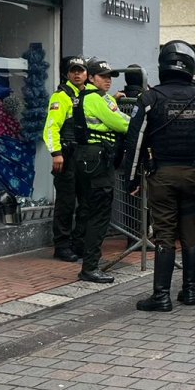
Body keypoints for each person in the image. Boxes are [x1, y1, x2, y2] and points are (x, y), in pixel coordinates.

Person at [126, 41, 195, 311]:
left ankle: (161, 296)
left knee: (165, 235)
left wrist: (131, 178)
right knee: (190, 232)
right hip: (192, 174)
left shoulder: (150, 98)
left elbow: (135, 142)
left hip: (162, 176)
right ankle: (190, 292)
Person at [73, 59, 129, 283]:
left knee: (89, 211)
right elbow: (120, 123)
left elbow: (115, 115)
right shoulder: (94, 98)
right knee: (99, 215)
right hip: (97, 161)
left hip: (89, 159)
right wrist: (137, 123)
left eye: (110, 77)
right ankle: (90, 267)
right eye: (103, 76)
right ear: (91, 78)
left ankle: (87, 260)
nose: (108, 80)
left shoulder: (95, 98)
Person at [43, 55, 89, 262]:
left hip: (84, 157)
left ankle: (79, 243)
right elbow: (51, 126)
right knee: (66, 203)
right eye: (73, 70)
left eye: (81, 70)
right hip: (67, 156)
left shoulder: (89, 94)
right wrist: (56, 153)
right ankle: (61, 246)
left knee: (85, 202)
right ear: (67, 74)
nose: (77, 74)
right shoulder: (61, 96)